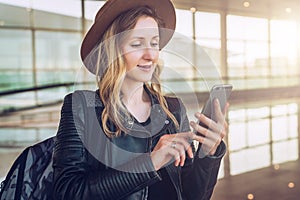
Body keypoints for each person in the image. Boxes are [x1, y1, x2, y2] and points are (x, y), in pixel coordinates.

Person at [52, 0, 229, 199]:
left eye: (154, 43)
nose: (151, 55)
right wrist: (151, 162)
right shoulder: (82, 107)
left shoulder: (173, 110)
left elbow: (190, 195)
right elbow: (67, 192)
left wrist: (209, 152)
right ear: (113, 50)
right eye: (137, 44)